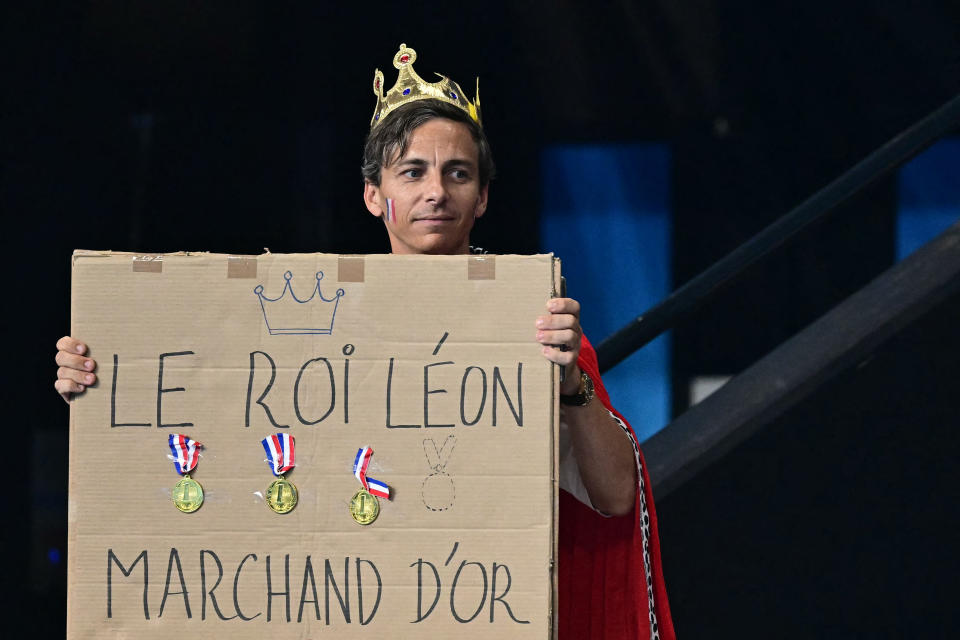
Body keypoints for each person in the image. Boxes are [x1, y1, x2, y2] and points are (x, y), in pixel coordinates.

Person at [54, 44, 675, 639]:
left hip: (471, 604)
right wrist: (106, 379)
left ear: (482, 196)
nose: (437, 191)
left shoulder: (534, 323)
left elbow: (617, 497)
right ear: (374, 195)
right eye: (413, 172)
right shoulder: (323, 328)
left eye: (458, 173)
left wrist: (571, 384)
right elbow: (217, 425)